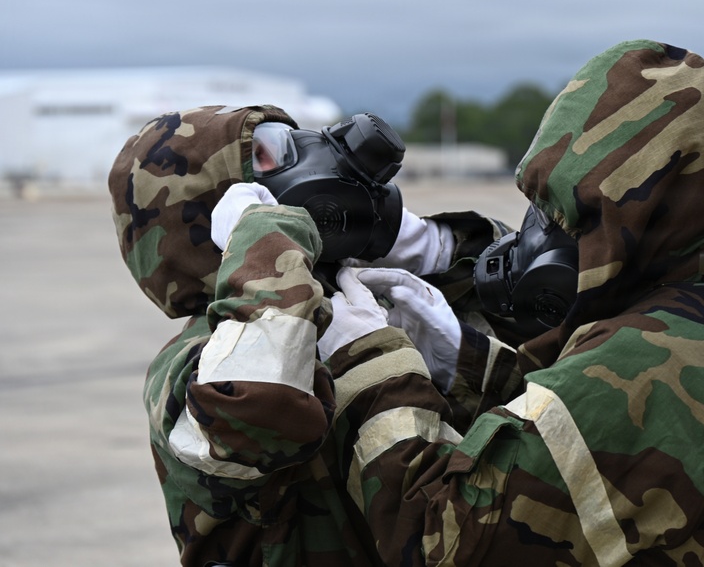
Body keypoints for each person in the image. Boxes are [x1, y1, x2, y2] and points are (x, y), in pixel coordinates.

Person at [323, 39, 704, 566]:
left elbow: (435, 541)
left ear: (632, 216)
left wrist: (374, 366)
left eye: (571, 215)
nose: (543, 238)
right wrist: (464, 359)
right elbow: (592, 438)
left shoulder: (636, 369)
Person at [107, 104, 512, 566]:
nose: (308, 159)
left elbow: (553, 300)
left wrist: (430, 247)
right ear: (220, 214)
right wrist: (266, 243)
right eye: (267, 156)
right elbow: (259, 409)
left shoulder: (358, 301)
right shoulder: (197, 361)